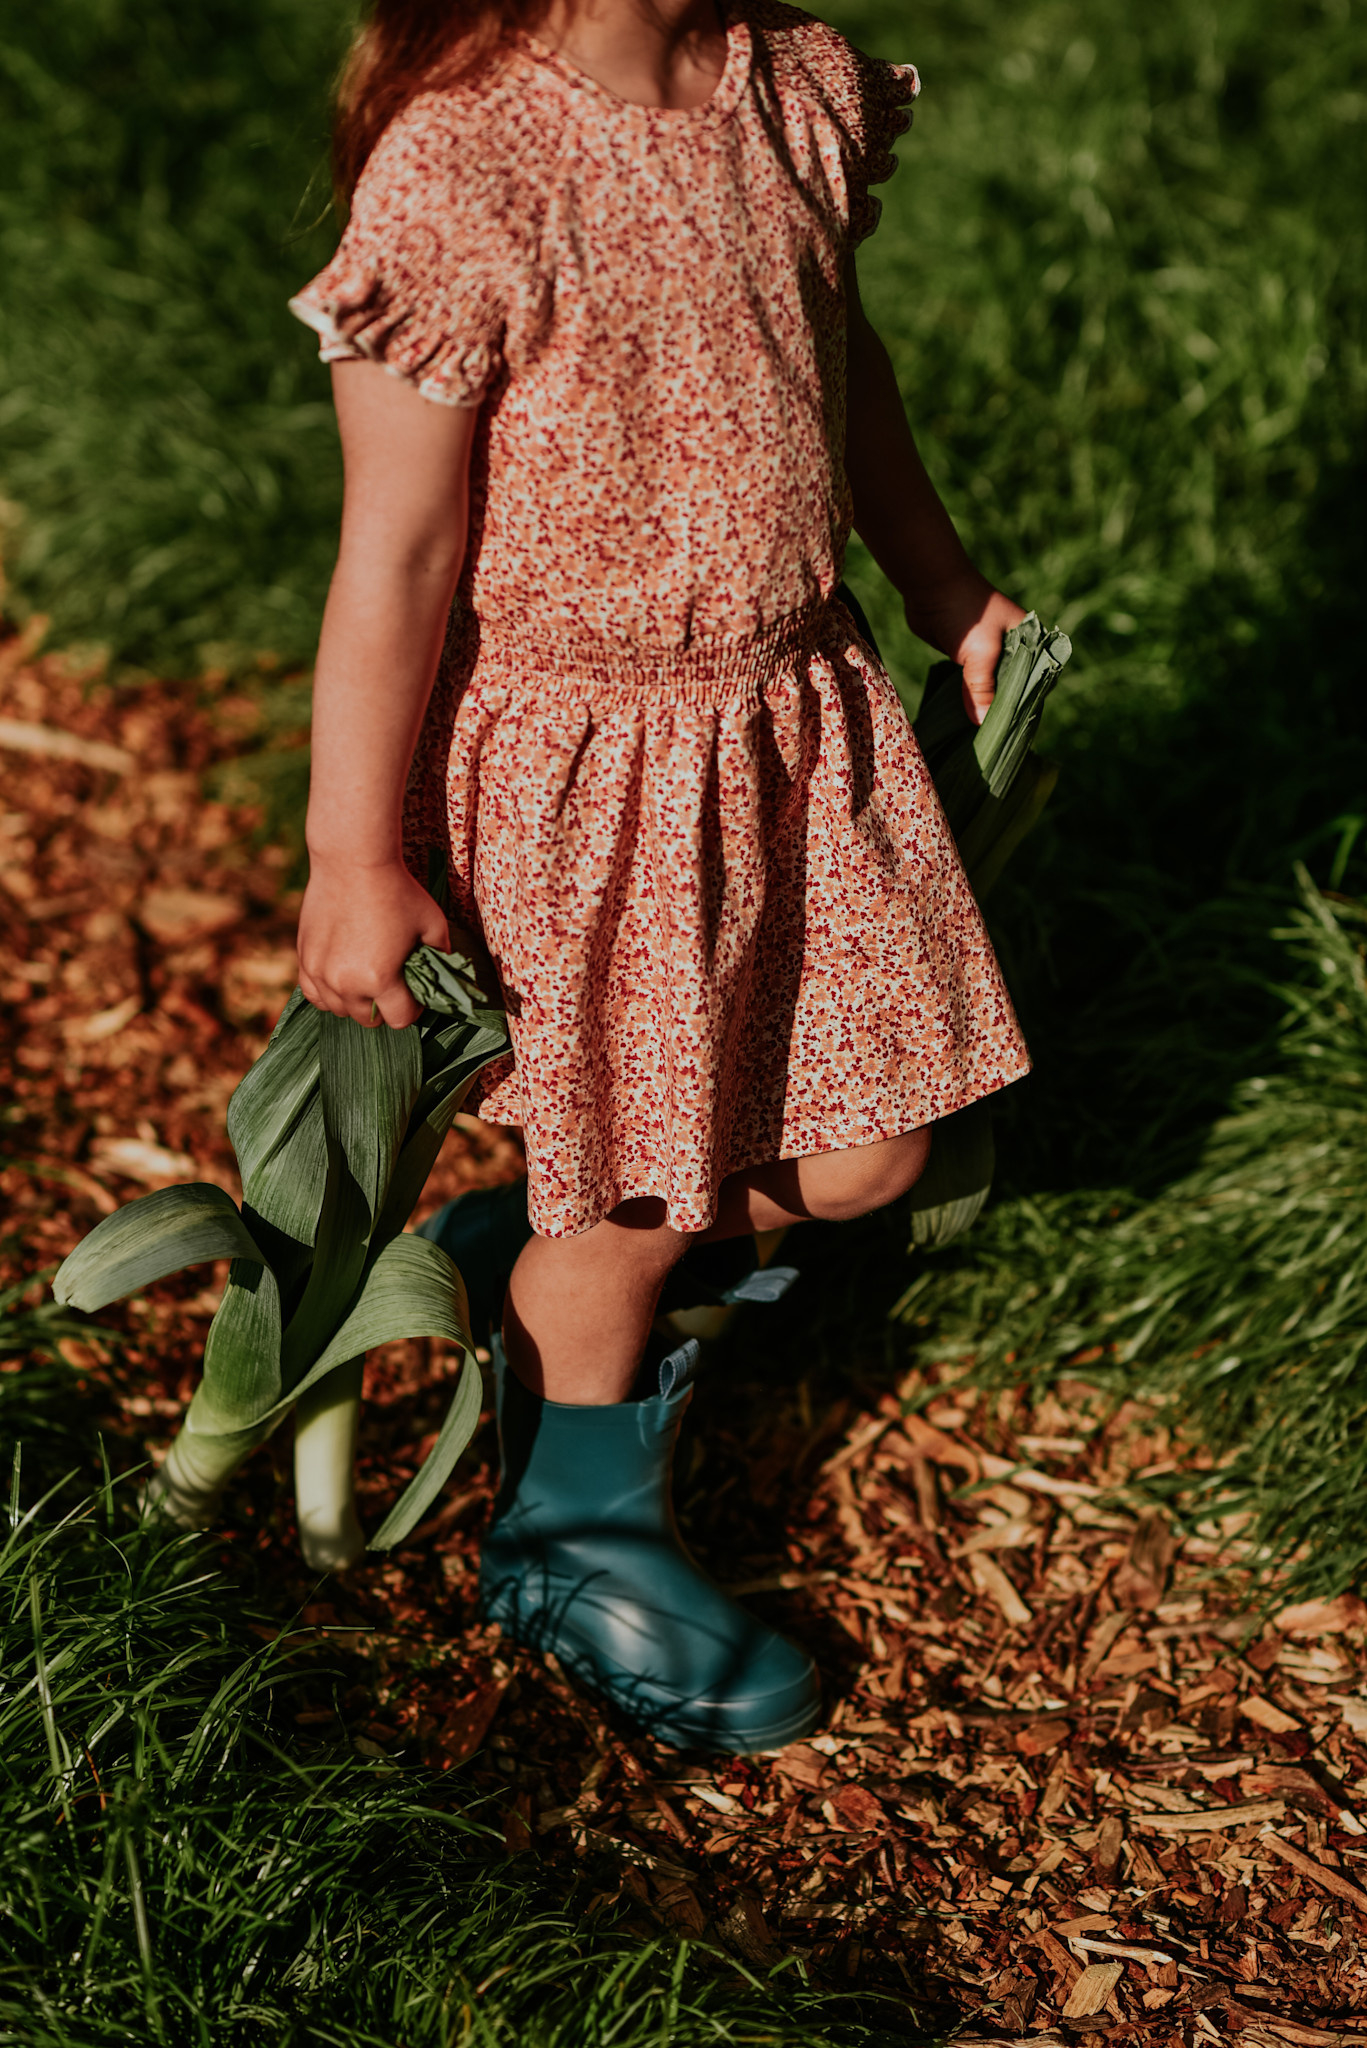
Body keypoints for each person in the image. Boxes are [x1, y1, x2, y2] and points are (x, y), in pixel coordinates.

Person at [289, 0, 1031, 1752]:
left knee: (872, 1154)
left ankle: (519, 1262)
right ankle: (571, 1536)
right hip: (594, 764)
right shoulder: (468, 168)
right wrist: (352, 849)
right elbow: (394, 551)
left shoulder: (788, 82)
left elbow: (843, 364)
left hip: (789, 722)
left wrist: (937, 581)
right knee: (635, 1198)